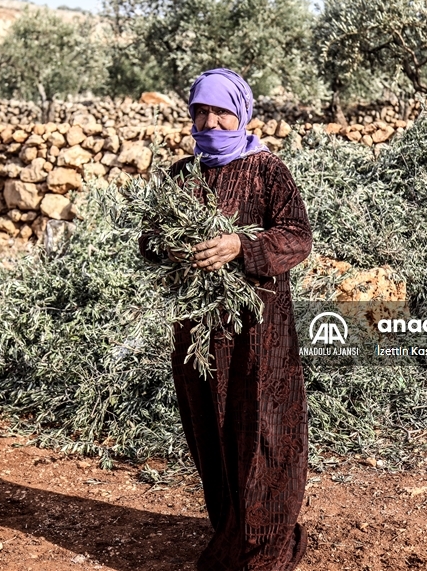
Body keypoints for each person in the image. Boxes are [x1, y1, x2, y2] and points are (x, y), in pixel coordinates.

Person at [139, 68, 313, 571]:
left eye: (221, 111)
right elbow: (148, 241)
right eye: (201, 111)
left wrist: (241, 245)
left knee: (265, 433)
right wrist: (172, 246)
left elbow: (297, 237)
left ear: (242, 113)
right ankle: (231, 531)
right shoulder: (180, 175)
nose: (211, 121)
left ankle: (265, 546)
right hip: (198, 333)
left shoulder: (266, 171)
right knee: (213, 434)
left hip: (259, 334)